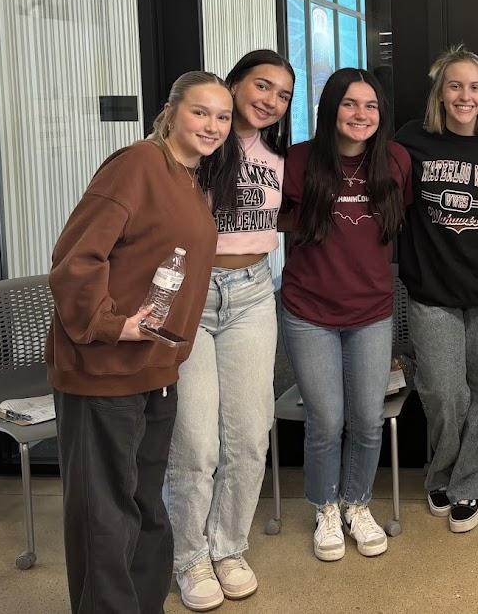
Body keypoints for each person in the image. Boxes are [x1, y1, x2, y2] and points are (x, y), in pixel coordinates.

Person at [48, 72, 232, 613]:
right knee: (104, 514)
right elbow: (76, 258)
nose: (213, 126)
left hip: (155, 368)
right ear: (170, 112)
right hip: (104, 371)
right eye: (200, 112)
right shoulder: (136, 165)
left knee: (145, 506)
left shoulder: (188, 178)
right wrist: (109, 323)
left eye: (223, 116)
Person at [165, 50, 295, 611]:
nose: (271, 101)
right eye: (262, 86)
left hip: (252, 294)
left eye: (283, 95)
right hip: (190, 295)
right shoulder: (196, 147)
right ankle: (189, 556)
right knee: (196, 441)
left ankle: (229, 547)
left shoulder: (280, 155)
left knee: (248, 434)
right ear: (234, 83)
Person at [278, 68, 412, 562]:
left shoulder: (395, 161)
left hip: (371, 311)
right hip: (308, 312)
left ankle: (357, 503)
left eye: (370, 105)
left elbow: (400, 217)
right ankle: (325, 507)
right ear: (331, 108)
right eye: (350, 104)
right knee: (326, 421)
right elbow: (272, 217)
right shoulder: (297, 161)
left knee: (368, 419)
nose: (361, 114)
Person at [395, 46, 478, 533]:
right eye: (455, 86)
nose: (465, 96)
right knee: (444, 392)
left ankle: (468, 482)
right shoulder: (411, 139)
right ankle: (441, 471)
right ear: (440, 93)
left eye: (475, 87)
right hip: (432, 291)